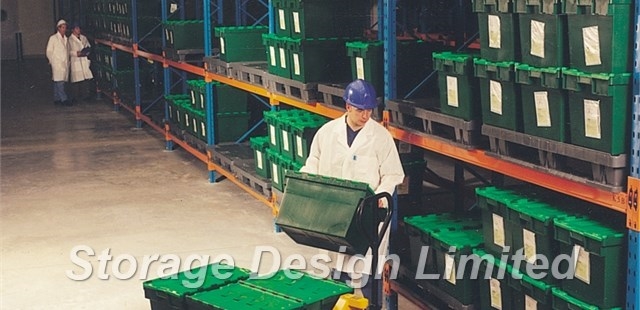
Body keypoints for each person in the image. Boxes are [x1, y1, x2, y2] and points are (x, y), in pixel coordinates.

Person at [300, 79, 405, 302]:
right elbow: (313, 161)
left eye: (369, 111)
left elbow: (394, 174)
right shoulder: (327, 132)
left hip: (367, 214)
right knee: (338, 270)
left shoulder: (380, 137)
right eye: (360, 110)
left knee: (367, 269)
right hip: (335, 211)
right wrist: (307, 179)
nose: (366, 116)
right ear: (347, 107)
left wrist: (381, 194)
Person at [46, 19, 71, 106]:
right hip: (57, 63)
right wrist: (52, 61)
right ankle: (64, 99)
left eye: (65, 27)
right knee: (60, 81)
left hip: (64, 63)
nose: (64, 29)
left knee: (58, 81)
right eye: (63, 27)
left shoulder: (66, 39)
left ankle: (56, 98)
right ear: (58, 28)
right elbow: (49, 51)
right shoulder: (53, 38)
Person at [68, 22, 94, 103]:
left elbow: (88, 46)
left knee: (85, 79)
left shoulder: (83, 38)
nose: (78, 30)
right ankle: (76, 98)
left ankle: (86, 96)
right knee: (76, 80)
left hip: (84, 60)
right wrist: (77, 53)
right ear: (73, 30)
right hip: (76, 61)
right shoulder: (70, 40)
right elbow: (69, 51)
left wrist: (86, 52)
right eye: (76, 28)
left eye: (79, 28)